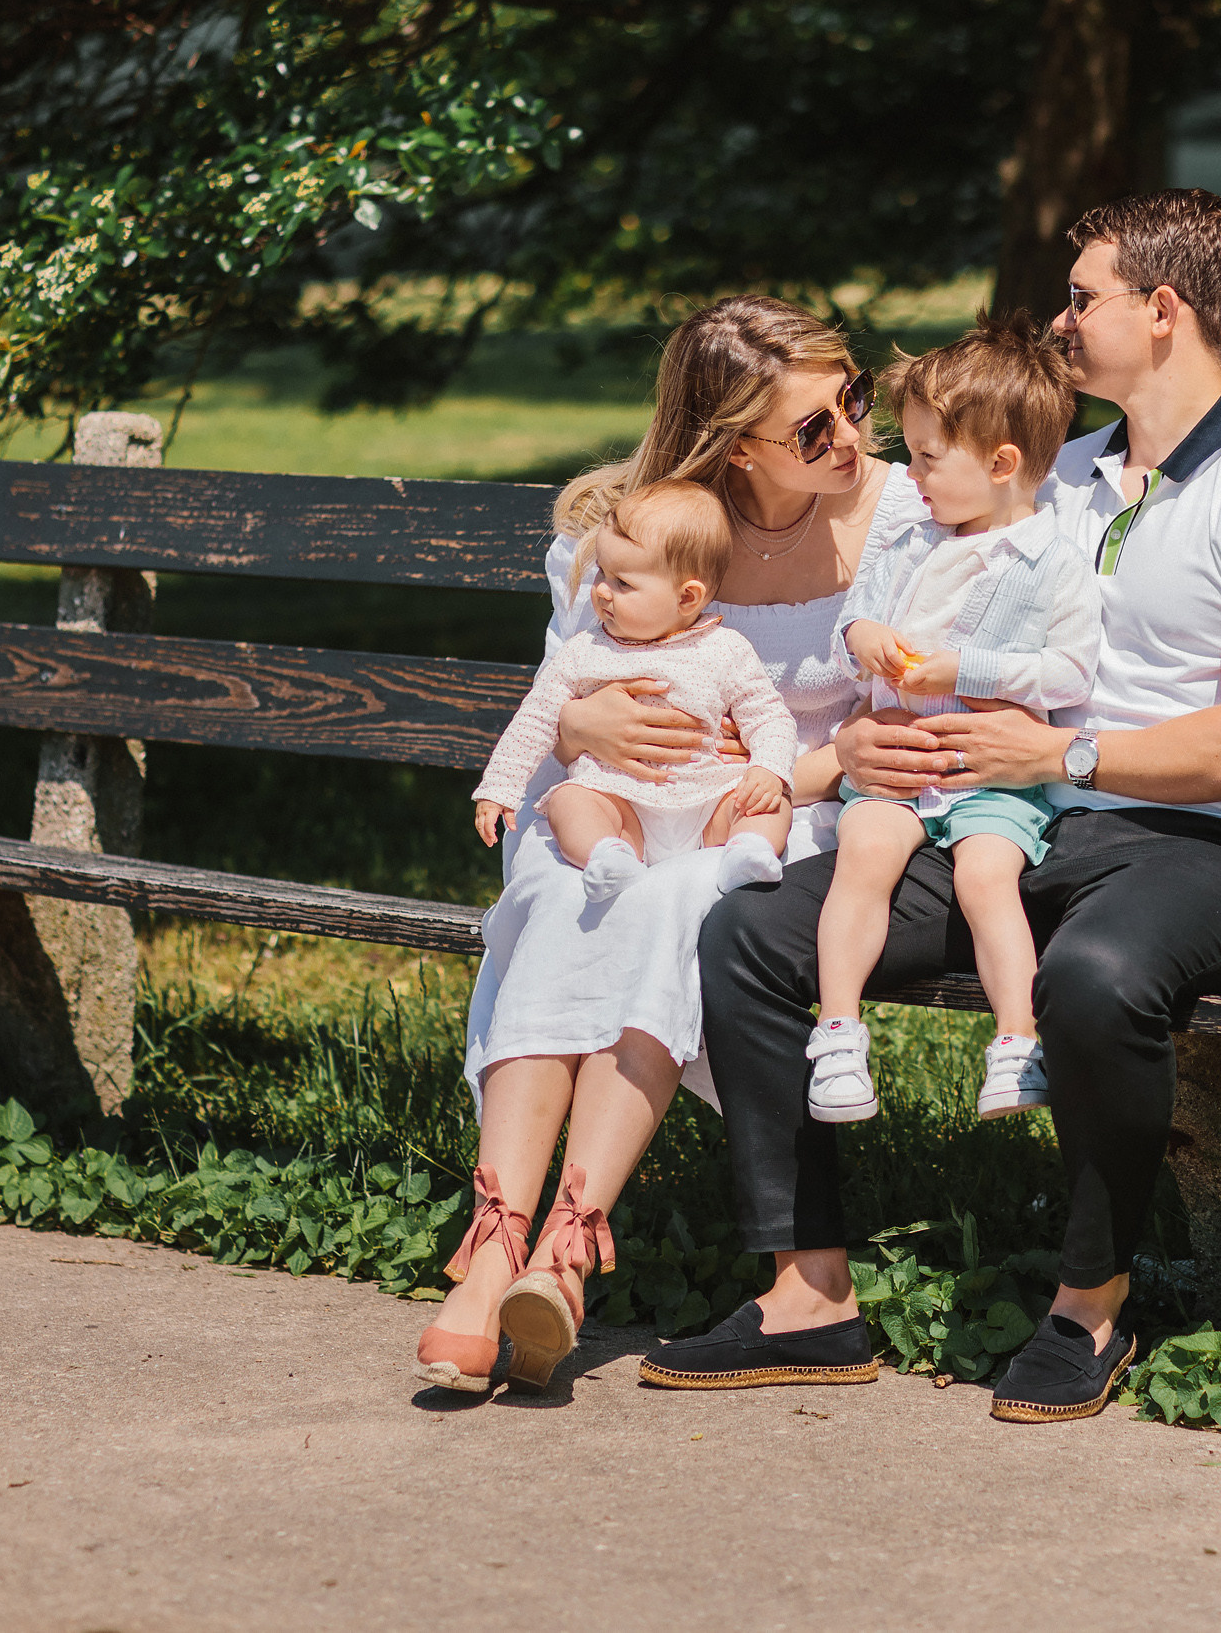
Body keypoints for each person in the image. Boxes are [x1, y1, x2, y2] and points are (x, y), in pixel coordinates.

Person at [649, 189, 1221, 1422]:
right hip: (1015, 814)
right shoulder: (1053, 473)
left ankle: (1089, 1303)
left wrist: (1062, 758)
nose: (1059, 317)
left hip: (1213, 851)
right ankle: (806, 1295)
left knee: (1090, 976)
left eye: (1082, 295)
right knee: (752, 934)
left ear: (1162, 311)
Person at [415, 296, 923, 1396]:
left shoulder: (909, 521)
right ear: (736, 442)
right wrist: (584, 726)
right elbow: (569, 686)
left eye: (853, 398)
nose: (850, 434)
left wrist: (790, 771)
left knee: (674, 902)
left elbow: (898, 731)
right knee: (559, 890)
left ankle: (569, 1239)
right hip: (608, 807)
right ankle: (497, 1242)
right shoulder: (647, 526)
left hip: (775, 813)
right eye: (811, 427)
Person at [806, 313, 1098, 1125]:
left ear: (1002, 464)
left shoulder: (1053, 565)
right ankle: (837, 1032)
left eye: (929, 456)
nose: (911, 470)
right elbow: (856, 617)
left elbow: (1069, 671)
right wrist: (865, 637)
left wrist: (961, 670)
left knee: (986, 875)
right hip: (899, 765)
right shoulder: (908, 540)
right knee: (862, 857)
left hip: (987, 774)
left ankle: (1016, 1039)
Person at [473, 480, 796, 905]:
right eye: (602, 573)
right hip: (620, 802)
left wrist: (770, 769)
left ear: (687, 597)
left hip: (709, 801)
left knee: (770, 807)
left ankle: (747, 850)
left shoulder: (725, 650)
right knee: (570, 802)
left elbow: (769, 716)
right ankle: (607, 856)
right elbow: (536, 718)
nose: (603, 591)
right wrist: (499, 786)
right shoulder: (585, 651)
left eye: (622, 582)